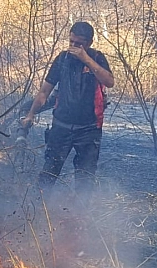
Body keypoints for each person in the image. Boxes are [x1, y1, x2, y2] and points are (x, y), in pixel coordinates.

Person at [21, 21, 114, 195]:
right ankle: (40, 210)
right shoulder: (62, 59)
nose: (73, 47)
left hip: (89, 130)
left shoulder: (97, 58)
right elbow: (44, 91)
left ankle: (79, 216)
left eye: (78, 44)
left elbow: (109, 81)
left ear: (89, 43)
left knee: (85, 179)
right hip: (61, 127)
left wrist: (86, 59)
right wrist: (31, 114)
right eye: (71, 42)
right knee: (49, 173)